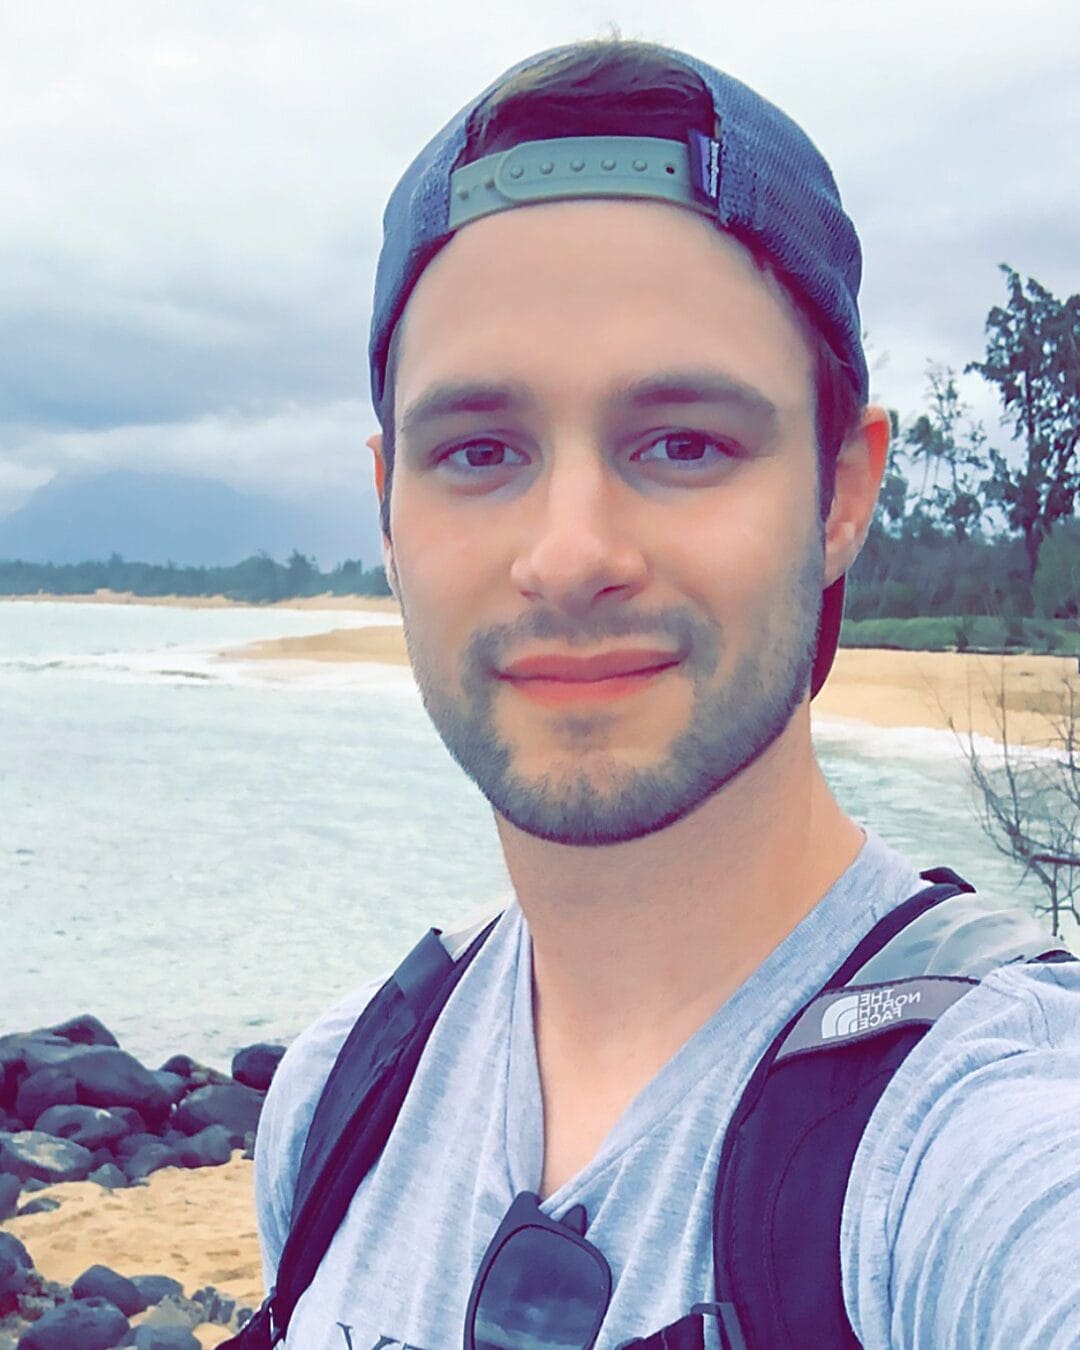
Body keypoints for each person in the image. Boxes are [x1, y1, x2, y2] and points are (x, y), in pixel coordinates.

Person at [252, 37, 1080, 1348]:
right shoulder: (341, 1103)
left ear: (843, 491)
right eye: (479, 449)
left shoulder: (979, 1137)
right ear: (389, 509)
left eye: (683, 441)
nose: (571, 552)